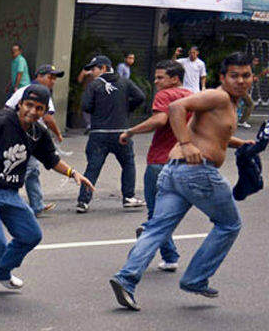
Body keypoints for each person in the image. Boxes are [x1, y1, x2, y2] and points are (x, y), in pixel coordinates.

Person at [110, 52, 253, 310]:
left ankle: (126, 279)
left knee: (157, 228)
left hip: (174, 172)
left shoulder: (229, 103)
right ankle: (196, 279)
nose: (241, 81)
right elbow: (177, 108)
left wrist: (245, 144)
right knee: (230, 224)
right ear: (222, 77)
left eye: (246, 75)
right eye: (234, 75)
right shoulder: (219, 96)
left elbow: (215, 137)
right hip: (197, 171)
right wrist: (186, 144)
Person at [0, 84, 93, 306]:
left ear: (44, 112)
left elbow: (51, 160)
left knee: (31, 234)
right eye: (29, 105)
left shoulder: (38, 132)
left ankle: (0, 271)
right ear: (20, 104)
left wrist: (73, 173)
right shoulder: (1, 122)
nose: (32, 111)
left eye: (39, 108)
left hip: (9, 192)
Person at [118, 60, 191, 271]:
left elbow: (159, 120)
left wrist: (130, 131)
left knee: (155, 215)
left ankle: (134, 264)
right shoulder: (192, 97)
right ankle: (170, 256)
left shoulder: (165, 96)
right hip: (184, 163)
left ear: (175, 79)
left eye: (160, 77)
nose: (156, 81)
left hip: (160, 162)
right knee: (163, 214)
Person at [76, 55, 146, 213]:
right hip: (121, 133)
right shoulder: (125, 82)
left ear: (104, 68)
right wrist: (126, 108)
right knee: (128, 164)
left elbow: (86, 106)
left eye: (94, 69)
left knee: (93, 167)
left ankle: (83, 201)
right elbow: (140, 97)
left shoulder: (94, 85)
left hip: (99, 133)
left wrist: (98, 111)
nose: (92, 72)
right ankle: (128, 197)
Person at [5, 64, 65, 216]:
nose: (52, 81)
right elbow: (48, 118)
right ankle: (2, 200)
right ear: (39, 76)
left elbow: (6, 109)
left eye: (54, 78)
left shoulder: (24, 90)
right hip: (28, 137)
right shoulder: (40, 94)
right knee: (27, 170)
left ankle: (37, 205)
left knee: (32, 171)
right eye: (50, 77)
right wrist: (58, 134)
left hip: (23, 136)